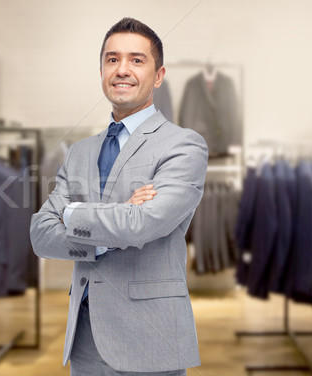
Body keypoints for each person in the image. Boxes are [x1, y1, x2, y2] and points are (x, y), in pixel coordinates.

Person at [30, 18, 208, 375]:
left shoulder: (183, 145)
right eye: (112, 60)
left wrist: (74, 212)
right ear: (101, 71)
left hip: (150, 338)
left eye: (136, 60)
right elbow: (40, 235)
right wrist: (116, 218)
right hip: (84, 339)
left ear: (158, 75)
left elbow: (142, 224)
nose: (122, 70)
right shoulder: (80, 151)